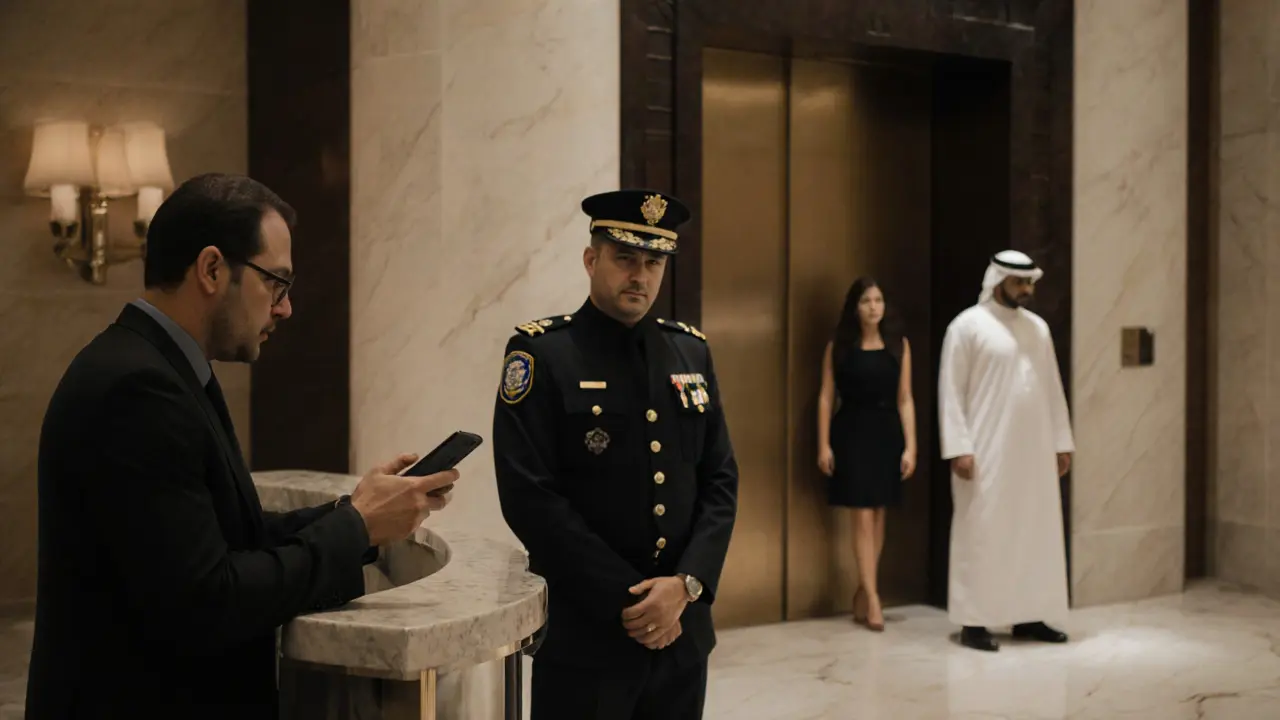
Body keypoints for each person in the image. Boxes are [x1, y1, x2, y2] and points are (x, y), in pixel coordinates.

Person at [25, 173, 460, 719]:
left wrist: (357, 513)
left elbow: (227, 538)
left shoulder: (160, 368)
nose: (285, 309)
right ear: (211, 269)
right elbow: (207, 601)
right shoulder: (136, 388)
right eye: (276, 283)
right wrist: (357, 527)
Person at [492, 189, 739, 719]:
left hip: (682, 636)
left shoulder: (689, 351)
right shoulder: (543, 354)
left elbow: (720, 480)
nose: (640, 275)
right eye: (625, 257)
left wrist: (686, 584)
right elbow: (528, 496)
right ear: (591, 259)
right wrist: (631, 599)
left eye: (654, 262)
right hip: (588, 638)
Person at [936, 249, 1074, 652]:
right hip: (985, 453)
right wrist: (959, 447)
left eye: (1030, 282)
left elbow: (1051, 387)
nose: (1027, 290)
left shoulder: (1038, 329)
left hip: (1033, 453)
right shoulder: (967, 327)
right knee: (982, 531)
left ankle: (1030, 616)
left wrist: (1061, 442)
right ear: (998, 281)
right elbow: (951, 392)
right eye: (1020, 283)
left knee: (1034, 530)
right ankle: (974, 622)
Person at [817, 277, 916, 632]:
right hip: (852, 432)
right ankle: (873, 598)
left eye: (878, 300)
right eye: (866, 301)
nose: (873, 307)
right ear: (854, 307)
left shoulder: (898, 346)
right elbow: (826, 396)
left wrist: (911, 445)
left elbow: (906, 398)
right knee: (860, 515)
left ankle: (864, 589)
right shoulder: (840, 347)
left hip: (887, 431)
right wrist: (823, 443)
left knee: (878, 515)